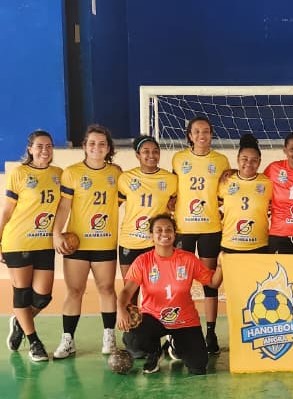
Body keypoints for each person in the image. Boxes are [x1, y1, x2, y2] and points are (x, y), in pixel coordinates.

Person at [116, 214, 223, 374]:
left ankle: (175, 342)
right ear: (151, 235)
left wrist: (221, 265)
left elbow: (213, 283)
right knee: (133, 339)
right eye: (158, 230)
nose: (164, 233)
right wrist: (120, 309)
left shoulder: (188, 259)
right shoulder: (143, 261)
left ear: (175, 233)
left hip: (184, 321)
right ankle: (155, 352)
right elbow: (126, 291)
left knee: (198, 365)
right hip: (153, 318)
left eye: (168, 229)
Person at [52, 124, 121, 358]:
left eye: (102, 144)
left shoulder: (116, 174)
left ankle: (109, 337)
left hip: (105, 243)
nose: (96, 147)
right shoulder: (71, 173)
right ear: (84, 146)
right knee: (74, 291)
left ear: (108, 148)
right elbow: (64, 207)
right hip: (77, 244)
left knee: (107, 289)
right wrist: (57, 233)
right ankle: (68, 340)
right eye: (92, 143)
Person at [0, 130, 62, 361]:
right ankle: (34, 341)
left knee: (43, 297)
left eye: (48, 146)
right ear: (30, 149)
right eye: (39, 146)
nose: (45, 150)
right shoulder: (20, 173)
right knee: (22, 293)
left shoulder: (59, 174)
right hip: (18, 240)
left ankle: (19, 321)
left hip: (44, 242)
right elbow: (6, 211)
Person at [171, 116, 229, 355]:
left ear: (211, 134)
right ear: (189, 135)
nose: (201, 135)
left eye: (206, 131)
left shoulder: (221, 161)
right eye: (196, 131)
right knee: (180, 283)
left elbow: (225, 193)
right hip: (183, 229)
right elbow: (173, 191)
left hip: (210, 228)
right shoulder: (178, 159)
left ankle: (211, 333)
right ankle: (178, 331)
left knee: (209, 282)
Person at [118, 135, 177, 358]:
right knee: (131, 295)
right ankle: (133, 340)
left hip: (157, 246)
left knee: (160, 294)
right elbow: (112, 205)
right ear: (137, 155)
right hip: (130, 243)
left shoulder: (170, 180)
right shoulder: (125, 178)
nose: (151, 155)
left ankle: (169, 337)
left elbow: (174, 204)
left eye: (155, 151)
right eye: (146, 151)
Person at [218, 133, 272, 253]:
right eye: (244, 159)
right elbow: (213, 205)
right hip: (230, 244)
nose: (249, 163)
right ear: (237, 159)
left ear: (259, 162)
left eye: (254, 160)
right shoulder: (226, 181)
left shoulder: (268, 183)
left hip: (259, 245)